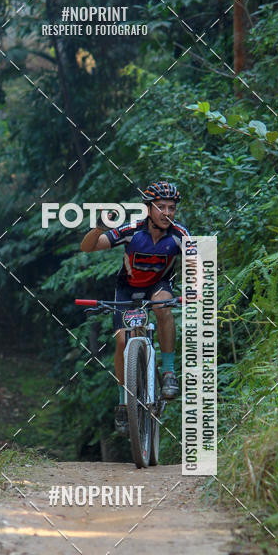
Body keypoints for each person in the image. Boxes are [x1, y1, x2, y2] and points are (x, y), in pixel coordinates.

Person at [80, 181, 190, 435]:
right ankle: (123, 401)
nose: (167, 213)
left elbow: (195, 262)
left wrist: (194, 287)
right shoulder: (131, 230)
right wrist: (98, 228)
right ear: (148, 209)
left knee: (163, 307)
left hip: (158, 285)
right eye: (161, 207)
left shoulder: (179, 234)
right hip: (127, 289)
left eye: (171, 208)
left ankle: (169, 372)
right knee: (121, 342)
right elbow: (87, 247)